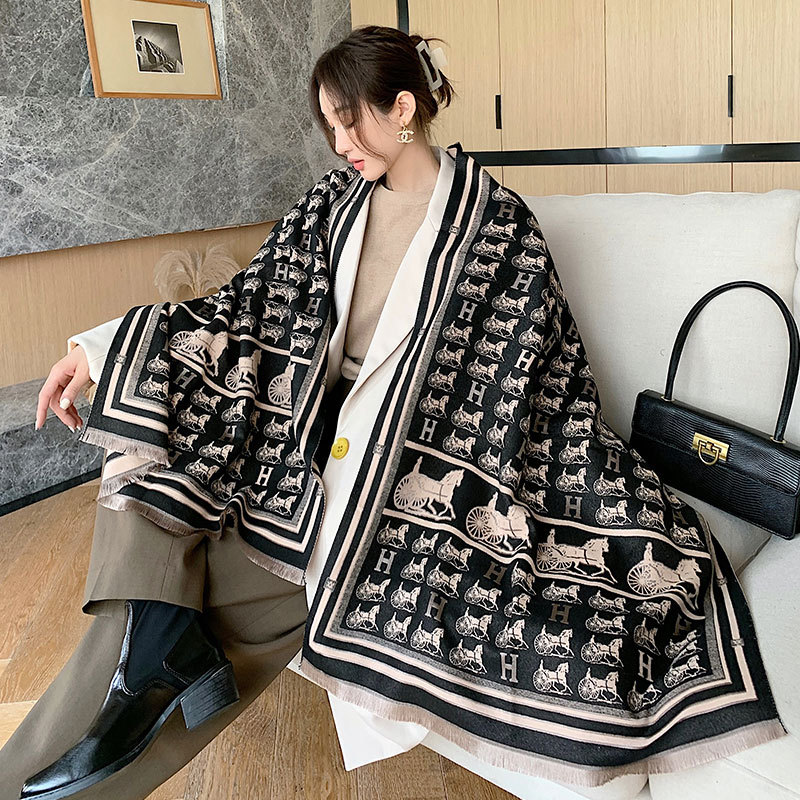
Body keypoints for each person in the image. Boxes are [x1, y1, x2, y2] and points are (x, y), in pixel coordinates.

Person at [0, 25, 490, 800]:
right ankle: (142, 669)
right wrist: (101, 349)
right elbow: (245, 303)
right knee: (154, 445)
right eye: (328, 126)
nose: (339, 145)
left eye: (349, 121)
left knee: (197, 589)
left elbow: (521, 376)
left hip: (391, 451)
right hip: (288, 416)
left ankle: (95, 720)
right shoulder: (331, 203)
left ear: (403, 108)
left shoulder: (495, 225)